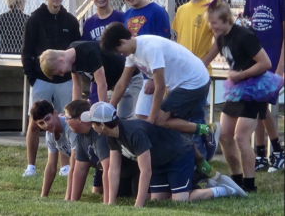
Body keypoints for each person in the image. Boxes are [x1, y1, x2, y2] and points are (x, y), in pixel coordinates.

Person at [81, 102, 247, 207]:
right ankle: (194, 181)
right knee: (157, 201)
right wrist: (109, 203)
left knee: (180, 201)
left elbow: (145, 171)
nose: (91, 126)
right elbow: (114, 170)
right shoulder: (111, 136)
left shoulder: (134, 133)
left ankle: (222, 190)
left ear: (102, 125)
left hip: (178, 155)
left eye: (93, 123)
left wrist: (138, 206)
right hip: (160, 163)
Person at [100, 22, 221, 166]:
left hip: (193, 82)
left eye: (118, 50)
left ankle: (203, 146)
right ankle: (205, 141)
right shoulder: (132, 53)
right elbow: (122, 83)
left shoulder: (150, 48)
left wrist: (151, 121)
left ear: (122, 41)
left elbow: (160, 87)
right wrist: (109, 108)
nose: (120, 54)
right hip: (185, 83)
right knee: (178, 125)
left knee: (160, 120)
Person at [205, 0, 283, 192]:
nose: (212, 28)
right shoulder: (220, 37)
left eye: (215, 24)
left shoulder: (244, 36)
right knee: (224, 134)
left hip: (255, 88)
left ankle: (250, 184)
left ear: (226, 20)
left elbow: (265, 64)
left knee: (241, 137)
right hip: (237, 87)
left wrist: (241, 75)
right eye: (210, 24)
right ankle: (236, 178)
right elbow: (208, 57)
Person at [21, 0, 81, 177]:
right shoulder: (35, 19)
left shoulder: (71, 20)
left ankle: (65, 165)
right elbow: (27, 51)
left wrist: (72, 75)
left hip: (64, 81)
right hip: (41, 80)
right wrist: (33, 78)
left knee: (65, 120)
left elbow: (75, 49)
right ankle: (31, 166)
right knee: (34, 121)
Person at [172, 0, 220, 160]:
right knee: (181, 116)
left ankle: (202, 155)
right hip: (181, 72)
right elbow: (178, 39)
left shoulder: (211, 6)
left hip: (199, 72)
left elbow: (220, 40)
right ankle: (189, 154)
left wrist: (204, 62)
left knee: (195, 115)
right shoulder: (182, 9)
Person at [243, 0, 284, 172]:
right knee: (258, 106)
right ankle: (262, 154)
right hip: (254, 60)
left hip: (273, 60)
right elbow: (249, 27)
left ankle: (276, 151)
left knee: (262, 106)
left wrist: (280, 66)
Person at [39, 40, 143, 119]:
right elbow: (77, 86)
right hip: (113, 86)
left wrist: (104, 112)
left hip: (130, 79)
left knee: (127, 119)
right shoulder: (70, 61)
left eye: (59, 71)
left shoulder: (88, 52)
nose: (61, 75)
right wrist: (74, 112)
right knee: (114, 121)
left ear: (61, 60)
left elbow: (101, 83)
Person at [64, 99, 139, 201]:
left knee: (129, 195)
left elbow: (108, 167)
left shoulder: (100, 134)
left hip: (127, 174)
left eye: (67, 118)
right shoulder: (80, 136)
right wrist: (72, 201)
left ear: (79, 119)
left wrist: (107, 202)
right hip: (112, 175)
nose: (66, 121)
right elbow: (80, 170)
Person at [120, 0, 171, 120]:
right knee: (143, 116)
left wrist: (153, 80)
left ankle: (202, 132)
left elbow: (164, 45)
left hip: (159, 72)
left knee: (156, 117)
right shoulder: (127, 15)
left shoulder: (157, 11)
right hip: (140, 71)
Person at [30, 100, 77, 199]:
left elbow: (75, 166)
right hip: (92, 163)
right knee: (97, 191)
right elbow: (51, 165)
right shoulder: (50, 134)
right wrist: (43, 196)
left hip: (100, 158)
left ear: (55, 113)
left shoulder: (69, 127)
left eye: (47, 119)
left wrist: (68, 198)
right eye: (41, 123)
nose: (46, 125)